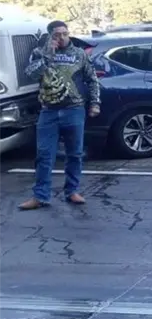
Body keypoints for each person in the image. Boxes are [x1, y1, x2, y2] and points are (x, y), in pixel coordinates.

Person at [18, 20, 101, 210]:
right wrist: (48, 55)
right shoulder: (40, 53)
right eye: (57, 35)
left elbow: (92, 80)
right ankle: (40, 196)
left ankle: (72, 191)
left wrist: (95, 103)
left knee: (75, 153)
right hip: (49, 111)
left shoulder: (79, 54)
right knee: (44, 154)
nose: (62, 37)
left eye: (65, 33)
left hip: (74, 109)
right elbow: (30, 74)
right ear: (50, 36)